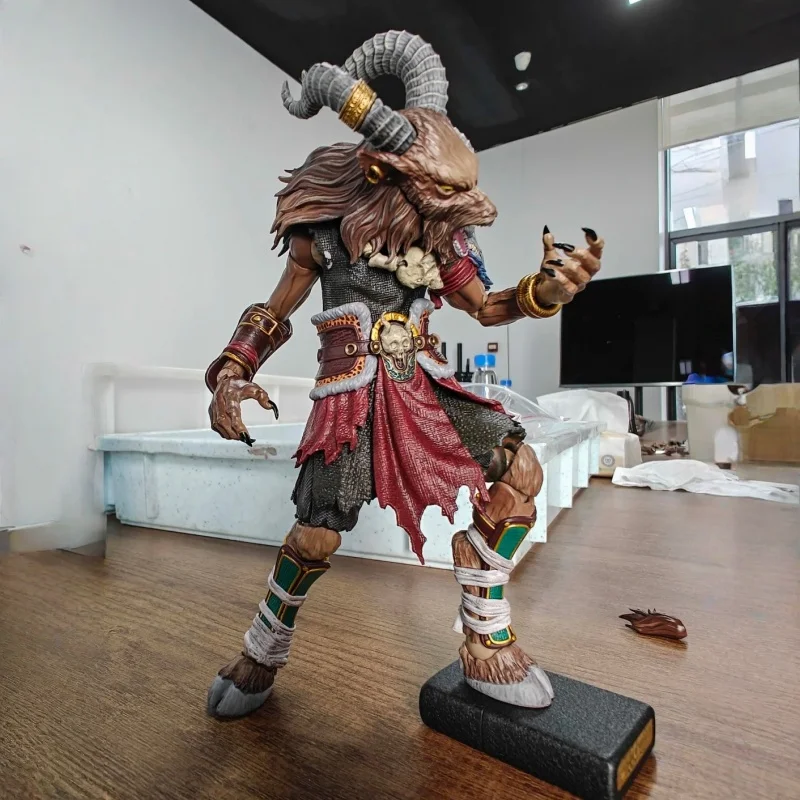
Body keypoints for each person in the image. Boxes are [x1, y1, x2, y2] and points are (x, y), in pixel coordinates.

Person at [203, 31, 604, 719]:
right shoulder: (323, 232)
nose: (477, 206)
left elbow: (486, 306)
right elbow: (277, 307)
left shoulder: (442, 234)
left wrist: (545, 292)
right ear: (381, 172)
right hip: (350, 394)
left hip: (423, 384)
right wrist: (232, 371)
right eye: (447, 190)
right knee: (317, 534)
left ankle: (485, 635)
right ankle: (262, 649)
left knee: (522, 472)